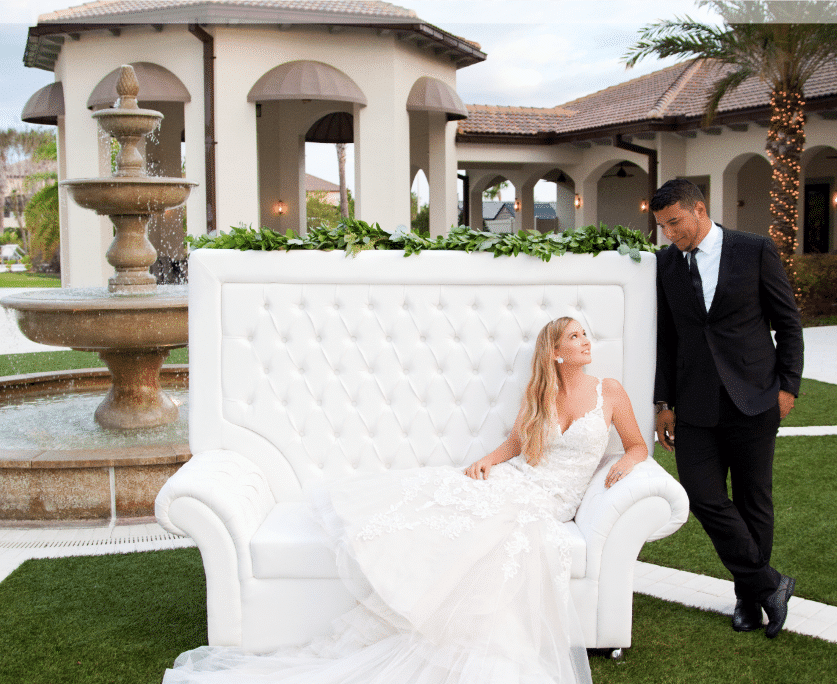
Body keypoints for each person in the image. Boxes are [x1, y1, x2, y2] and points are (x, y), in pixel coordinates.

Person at [163, 317, 648, 684]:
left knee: (493, 538)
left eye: (586, 335)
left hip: (549, 501)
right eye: (576, 337)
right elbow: (519, 443)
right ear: (557, 353)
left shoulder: (611, 392)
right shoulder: (540, 392)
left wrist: (629, 459)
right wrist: (488, 460)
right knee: (442, 506)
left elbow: (637, 444)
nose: (586, 342)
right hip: (515, 480)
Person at [652, 179, 803, 639]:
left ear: (699, 210)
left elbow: (788, 322)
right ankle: (768, 585)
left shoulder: (754, 250)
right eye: (662, 227)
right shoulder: (665, 263)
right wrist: (664, 402)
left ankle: (747, 600)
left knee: (753, 500)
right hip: (695, 404)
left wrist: (788, 387)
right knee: (702, 496)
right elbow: (667, 338)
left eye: (674, 223)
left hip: (756, 397)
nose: (669, 234)